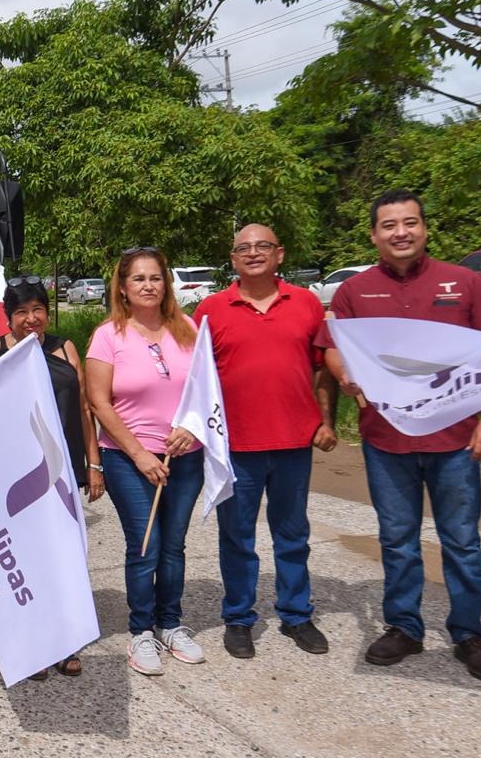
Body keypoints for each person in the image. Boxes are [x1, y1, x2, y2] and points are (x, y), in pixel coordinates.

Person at [318, 190, 481, 684]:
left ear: (425, 228)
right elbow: (331, 351)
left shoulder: (464, 283)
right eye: (389, 225)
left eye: (410, 223)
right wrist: (345, 374)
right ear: (374, 235)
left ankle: (468, 633)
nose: (400, 232)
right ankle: (404, 627)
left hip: (457, 440)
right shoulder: (353, 292)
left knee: (462, 541)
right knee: (398, 540)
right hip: (387, 441)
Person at [194, 225, 339, 660]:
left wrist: (326, 420)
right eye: (243, 248)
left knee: (292, 533)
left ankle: (296, 614)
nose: (253, 253)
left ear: (279, 254)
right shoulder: (210, 310)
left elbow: (322, 368)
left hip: (294, 441)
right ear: (232, 259)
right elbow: (196, 380)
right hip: (235, 447)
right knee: (237, 537)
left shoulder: (307, 303)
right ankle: (239, 618)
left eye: (262, 246)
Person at [0, 275, 105, 679]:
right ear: (9, 318)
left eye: (38, 309)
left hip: (61, 472)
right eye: (21, 312)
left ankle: (64, 641)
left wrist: (93, 464)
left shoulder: (64, 347)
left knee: (63, 557)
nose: (31, 319)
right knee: (23, 562)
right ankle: (33, 644)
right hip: (13, 480)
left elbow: (84, 409)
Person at [84, 247, 205, 677]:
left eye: (156, 278)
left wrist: (192, 428)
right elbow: (98, 401)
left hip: (185, 456)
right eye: (139, 279)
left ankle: (170, 623)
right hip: (128, 459)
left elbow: (204, 390)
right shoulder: (108, 336)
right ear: (122, 286)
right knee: (145, 545)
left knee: (174, 545)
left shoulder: (188, 329)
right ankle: (141, 632)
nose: (149, 285)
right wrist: (139, 454)